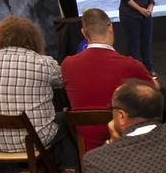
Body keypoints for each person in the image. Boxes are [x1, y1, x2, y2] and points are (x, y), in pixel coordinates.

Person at [0, 15, 79, 173]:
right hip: (32, 139)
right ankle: (69, 170)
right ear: (33, 38)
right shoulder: (44, 63)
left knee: (29, 121)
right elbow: (62, 81)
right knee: (63, 117)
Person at [61, 8, 153, 151]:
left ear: (84, 33)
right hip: (125, 146)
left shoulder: (67, 65)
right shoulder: (131, 65)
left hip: (88, 151)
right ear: (110, 28)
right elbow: (153, 89)